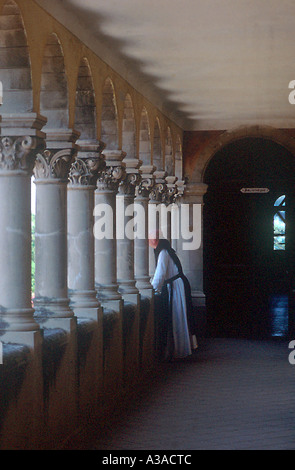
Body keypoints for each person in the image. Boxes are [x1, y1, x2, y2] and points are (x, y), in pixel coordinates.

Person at [149, 231, 198, 361]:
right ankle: (181, 349)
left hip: (177, 287)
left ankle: (180, 350)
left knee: (178, 316)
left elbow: (159, 275)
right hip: (177, 285)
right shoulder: (165, 251)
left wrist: (151, 290)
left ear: (154, 240)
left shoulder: (163, 253)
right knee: (179, 316)